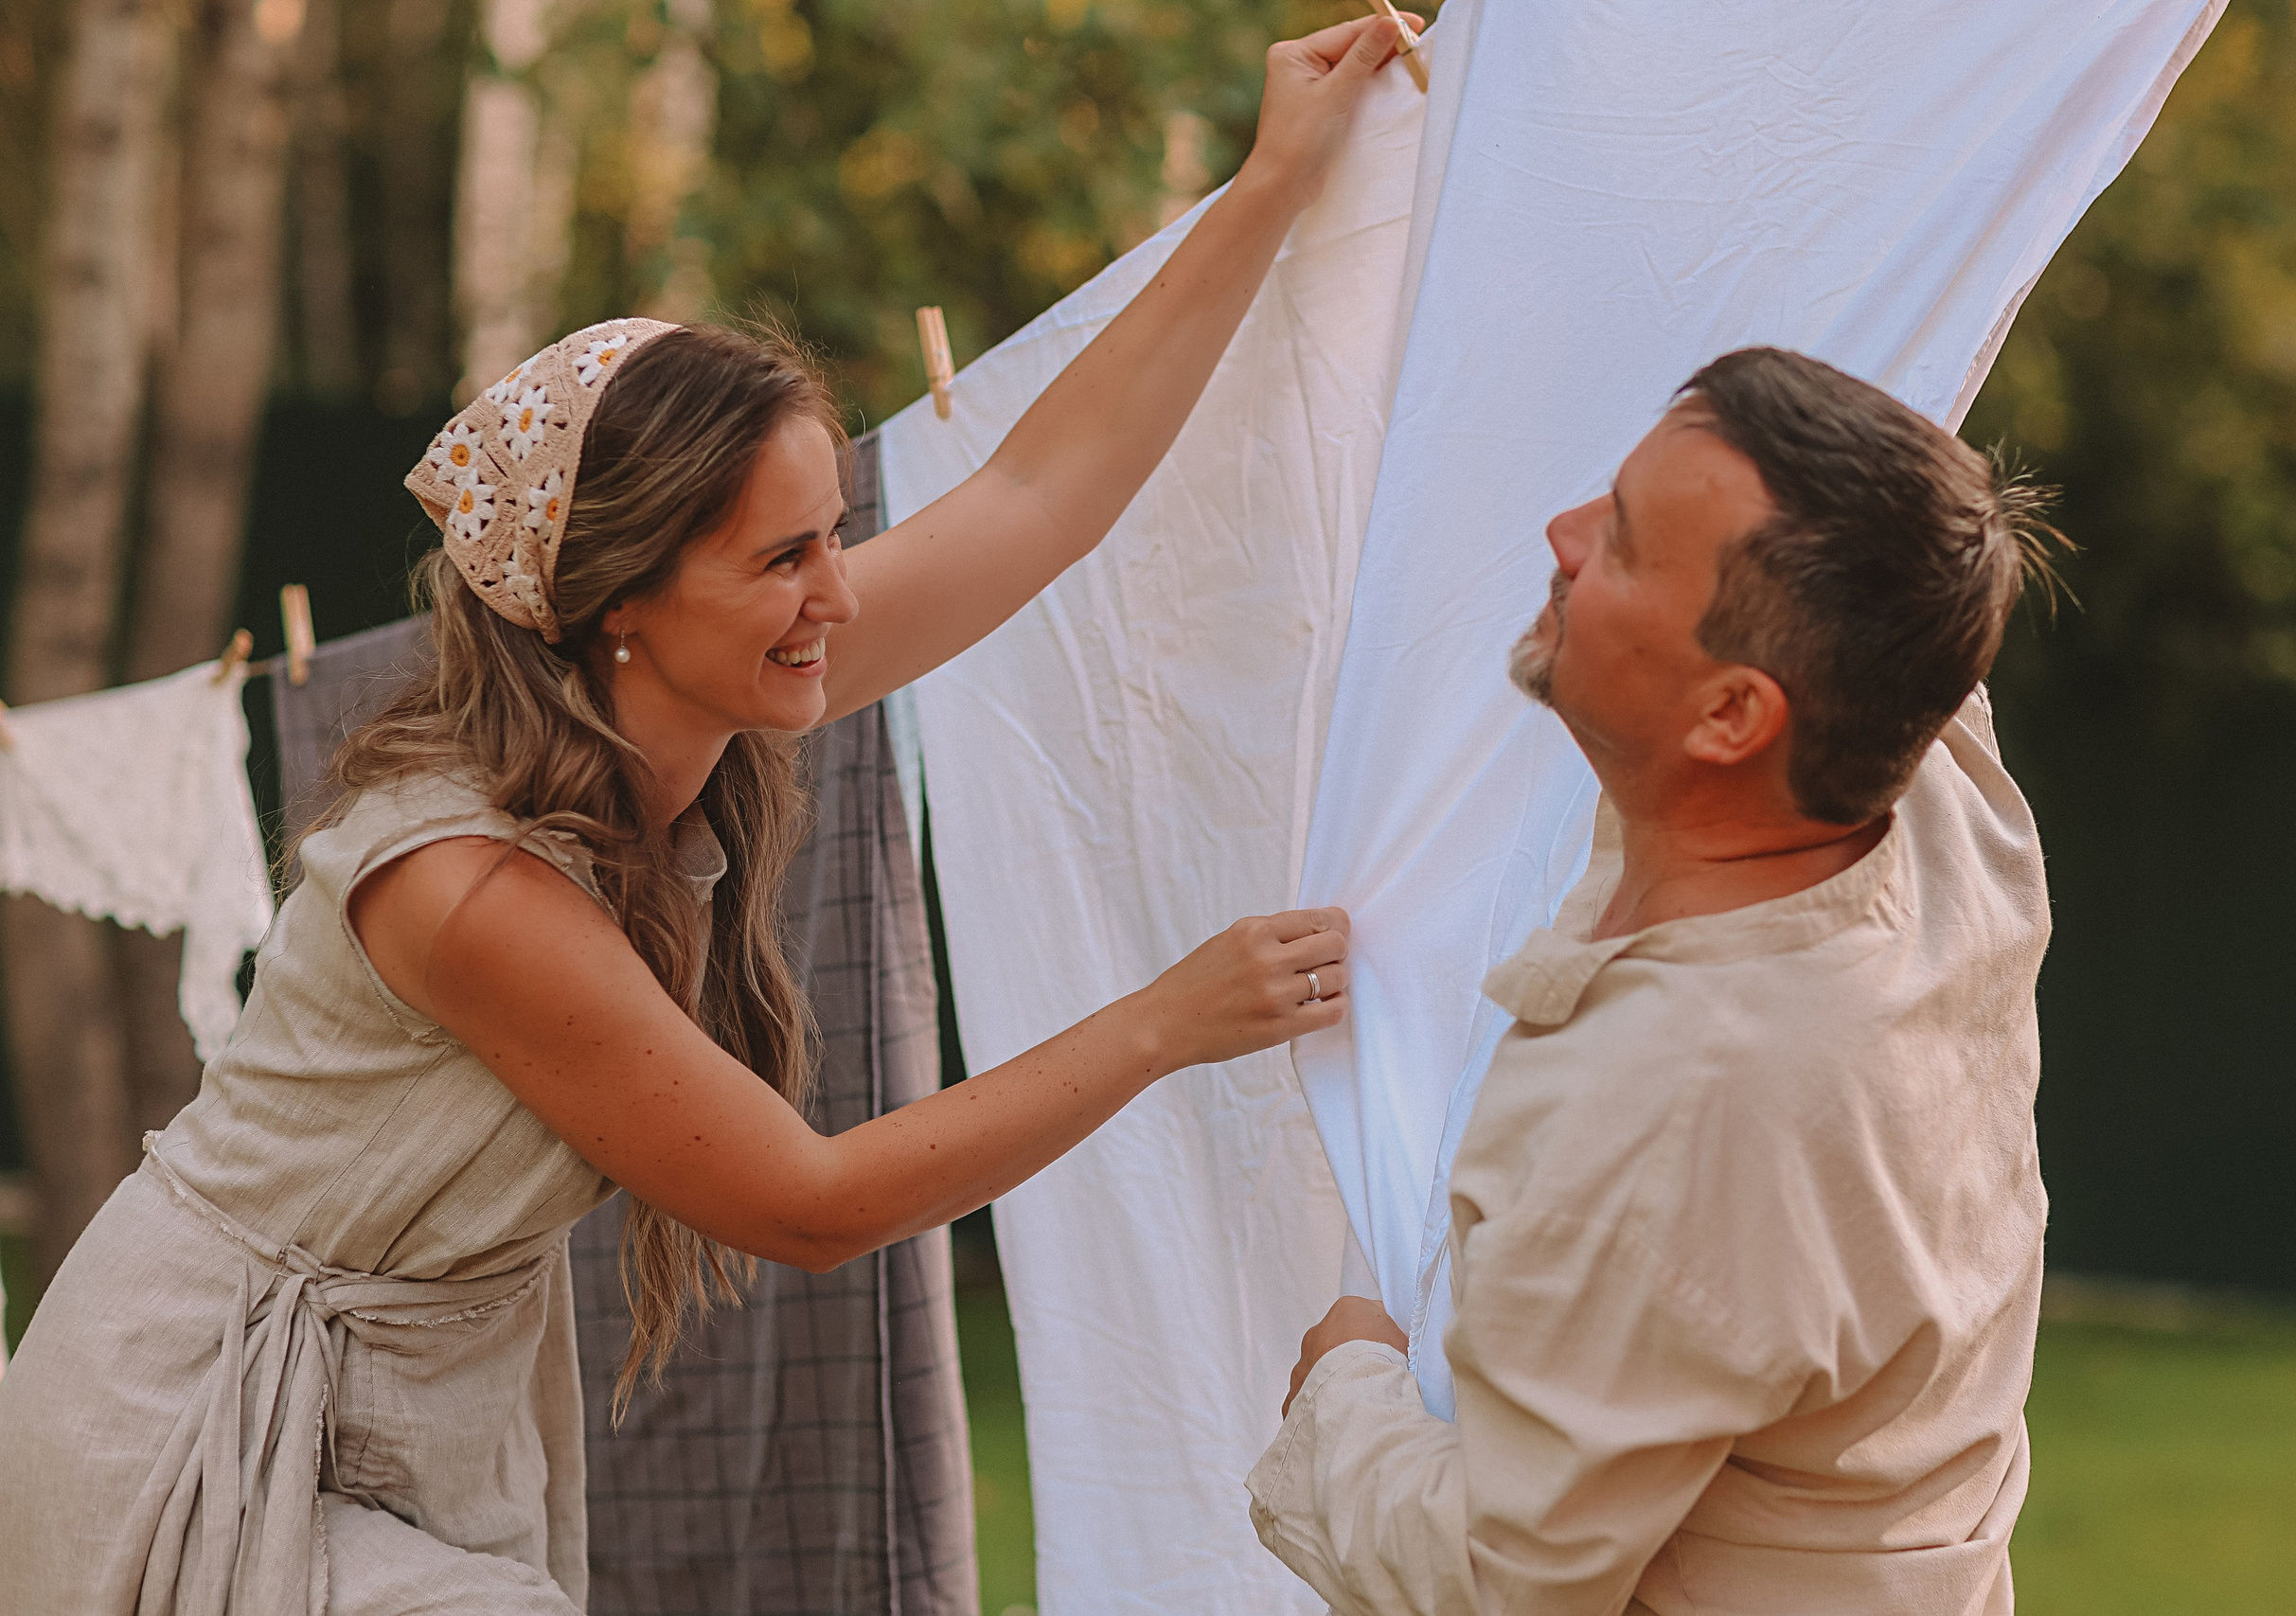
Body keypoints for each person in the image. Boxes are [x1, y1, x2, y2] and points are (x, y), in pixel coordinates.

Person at [0, 17, 1411, 1613]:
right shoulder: (469, 886)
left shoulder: (710, 684)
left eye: (831, 538)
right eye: (783, 559)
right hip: (187, 1414)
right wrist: (1165, 1020)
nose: (833, 595)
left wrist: (1270, 179)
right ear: (619, 600)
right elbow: (810, 1206)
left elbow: (1036, 501)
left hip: (386, 1411)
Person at [1247, 347, 2058, 1616]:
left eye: (1622, 546)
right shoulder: (1942, 804)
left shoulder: (1675, 1100)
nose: (1561, 536)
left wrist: (1343, 1392)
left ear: (1734, 717)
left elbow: (1509, 1575)